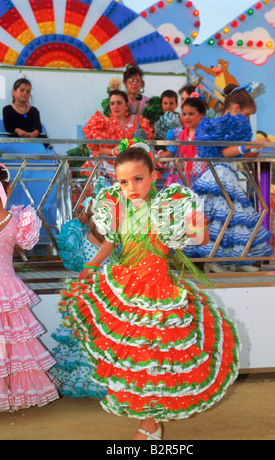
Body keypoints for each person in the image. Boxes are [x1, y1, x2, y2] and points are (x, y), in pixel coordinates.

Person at [60, 138, 241, 440]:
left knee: (153, 359)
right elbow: (110, 244)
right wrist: (90, 270)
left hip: (157, 295)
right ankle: (151, 425)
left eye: (137, 179)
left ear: (154, 177)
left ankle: (149, 427)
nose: (130, 187)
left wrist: (198, 225)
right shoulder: (118, 210)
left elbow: (197, 239)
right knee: (134, 361)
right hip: (124, 291)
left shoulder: (166, 211)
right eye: (122, 181)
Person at [192, 83, 272, 273]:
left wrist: (249, 150)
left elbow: (234, 153)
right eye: (247, 114)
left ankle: (231, 260)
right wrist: (249, 146)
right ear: (236, 108)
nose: (247, 119)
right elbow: (225, 152)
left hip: (228, 174)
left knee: (232, 220)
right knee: (222, 218)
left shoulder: (230, 125)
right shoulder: (227, 125)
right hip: (220, 175)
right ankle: (214, 261)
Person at [0, 163, 59, 411]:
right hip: (8, 289)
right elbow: (23, 247)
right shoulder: (19, 218)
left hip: (8, 287)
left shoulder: (19, 218)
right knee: (14, 344)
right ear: (9, 187)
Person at [50, 191, 108, 399]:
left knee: (84, 338)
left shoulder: (81, 239)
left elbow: (77, 266)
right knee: (107, 338)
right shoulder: (113, 242)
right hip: (111, 294)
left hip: (88, 294)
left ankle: (83, 381)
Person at [82, 90, 153, 178]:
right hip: (109, 161)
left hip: (132, 159)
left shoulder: (138, 121)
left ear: (127, 105)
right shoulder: (102, 122)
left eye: (119, 103)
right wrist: (113, 151)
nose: (115, 106)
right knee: (93, 162)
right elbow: (98, 149)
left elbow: (144, 144)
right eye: (112, 103)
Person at [163, 97, 208, 184]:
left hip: (203, 176)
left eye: (191, 114)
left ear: (202, 115)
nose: (187, 117)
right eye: (184, 114)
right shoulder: (181, 134)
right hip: (185, 176)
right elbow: (177, 153)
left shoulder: (206, 133)